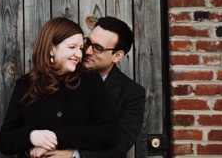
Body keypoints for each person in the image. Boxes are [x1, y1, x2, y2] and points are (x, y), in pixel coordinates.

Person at [0, 17, 117, 158]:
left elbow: (109, 133)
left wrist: (57, 137)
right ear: (51, 49)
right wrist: (31, 136)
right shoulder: (25, 85)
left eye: (80, 48)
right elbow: (5, 141)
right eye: (72, 47)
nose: (79, 55)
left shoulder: (90, 82)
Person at [44, 16, 147, 158]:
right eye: (88, 42)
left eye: (98, 48)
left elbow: (120, 145)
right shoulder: (65, 72)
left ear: (117, 56)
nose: (87, 51)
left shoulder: (132, 93)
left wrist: (73, 154)